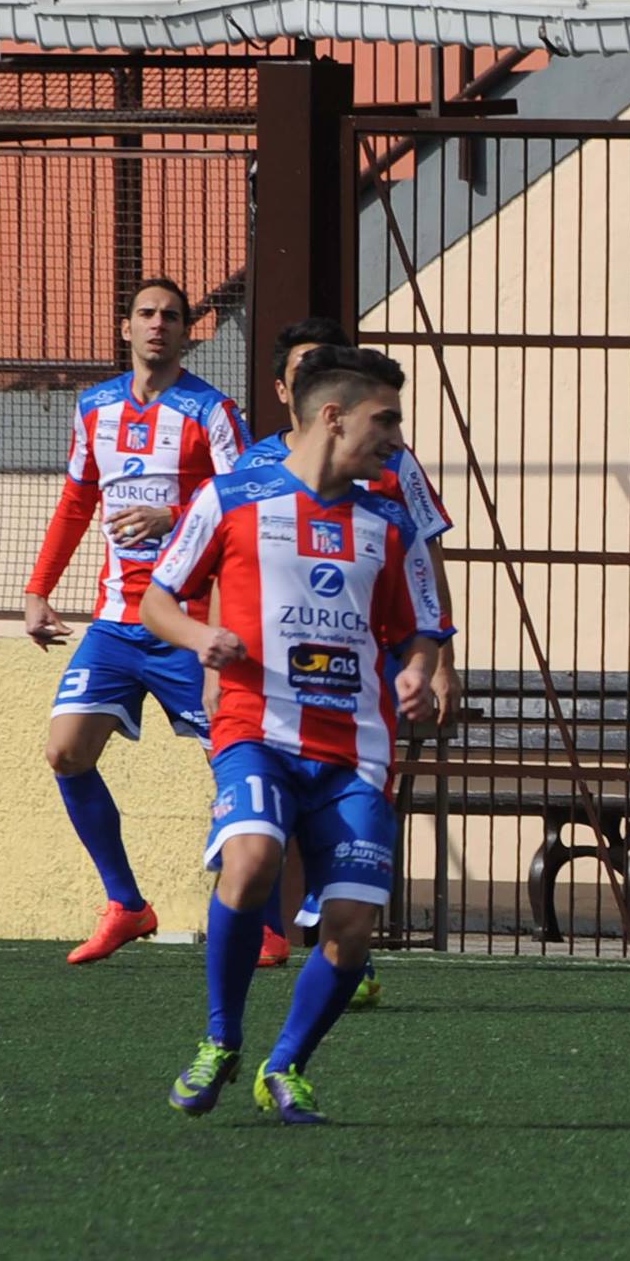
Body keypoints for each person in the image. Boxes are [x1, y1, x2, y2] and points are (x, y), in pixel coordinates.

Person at [145, 345, 450, 1124]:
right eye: (386, 419)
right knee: (251, 860)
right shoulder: (231, 497)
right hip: (257, 728)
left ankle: (285, 1065)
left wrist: (419, 669)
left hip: (356, 749)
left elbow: (422, 627)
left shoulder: (391, 522)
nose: (396, 437)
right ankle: (221, 1038)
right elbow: (158, 598)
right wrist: (199, 636)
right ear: (334, 416)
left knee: (350, 929)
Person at [23, 277, 249, 964]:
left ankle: (260, 920)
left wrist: (172, 515)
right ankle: (127, 904)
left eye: (171, 316)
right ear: (126, 327)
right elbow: (76, 503)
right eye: (146, 313)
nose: (158, 324)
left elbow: (245, 502)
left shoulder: (212, 411)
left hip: (188, 623)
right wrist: (38, 590)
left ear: (186, 331)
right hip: (116, 624)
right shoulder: (94, 407)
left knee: (237, 767)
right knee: (66, 751)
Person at [238, 317, 460, 984]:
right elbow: (225, 567)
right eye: (304, 367)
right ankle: (272, 935)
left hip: (367, 660)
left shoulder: (392, 459)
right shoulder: (252, 469)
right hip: (277, 673)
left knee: (350, 798)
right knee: (274, 802)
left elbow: (425, 553)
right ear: (288, 390)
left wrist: (439, 660)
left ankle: (341, 937)